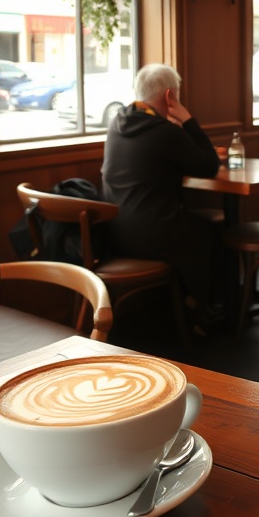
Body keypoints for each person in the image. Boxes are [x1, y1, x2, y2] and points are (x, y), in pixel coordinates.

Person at [101, 63, 223, 331]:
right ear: (170, 95)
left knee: (194, 224)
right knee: (209, 229)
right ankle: (204, 312)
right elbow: (209, 166)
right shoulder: (164, 131)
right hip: (153, 237)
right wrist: (188, 120)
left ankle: (189, 305)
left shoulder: (117, 122)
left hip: (113, 232)